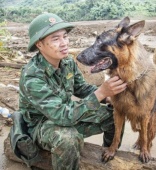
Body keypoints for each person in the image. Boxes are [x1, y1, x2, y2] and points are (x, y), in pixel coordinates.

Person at [16, 12, 127, 169]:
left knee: (114, 117)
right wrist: (101, 93)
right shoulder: (32, 77)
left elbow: (81, 88)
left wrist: (109, 97)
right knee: (68, 139)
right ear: (39, 45)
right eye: (56, 39)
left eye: (65, 36)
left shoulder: (67, 62)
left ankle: (107, 155)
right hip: (41, 126)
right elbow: (62, 116)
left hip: (66, 115)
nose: (64, 43)